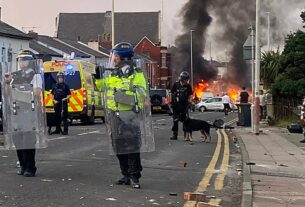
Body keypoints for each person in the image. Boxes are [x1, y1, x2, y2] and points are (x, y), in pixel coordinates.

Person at [102, 42, 152, 189]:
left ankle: (134, 176)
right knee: (118, 146)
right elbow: (103, 88)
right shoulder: (112, 73)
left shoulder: (137, 74)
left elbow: (142, 95)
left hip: (130, 115)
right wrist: (95, 77)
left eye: (116, 56)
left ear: (123, 57)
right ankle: (125, 174)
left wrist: (122, 97)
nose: (114, 59)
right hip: (114, 115)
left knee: (132, 147)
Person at [3, 50, 44, 177]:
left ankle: (30, 167)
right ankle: (22, 165)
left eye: (25, 59)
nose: (22, 62)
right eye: (20, 60)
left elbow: (36, 93)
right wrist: (6, 84)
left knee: (28, 140)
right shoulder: (15, 76)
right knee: (17, 140)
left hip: (29, 110)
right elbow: (8, 94)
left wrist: (18, 93)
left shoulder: (35, 75)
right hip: (16, 111)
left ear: (30, 61)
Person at [170, 71, 193, 140]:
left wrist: (190, 101)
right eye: (186, 79)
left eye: (187, 79)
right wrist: (170, 101)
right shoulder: (176, 84)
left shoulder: (188, 86)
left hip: (184, 106)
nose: (187, 81)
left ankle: (186, 136)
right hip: (176, 105)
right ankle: (175, 135)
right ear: (182, 79)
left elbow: (190, 95)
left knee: (185, 121)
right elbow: (171, 93)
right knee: (175, 120)